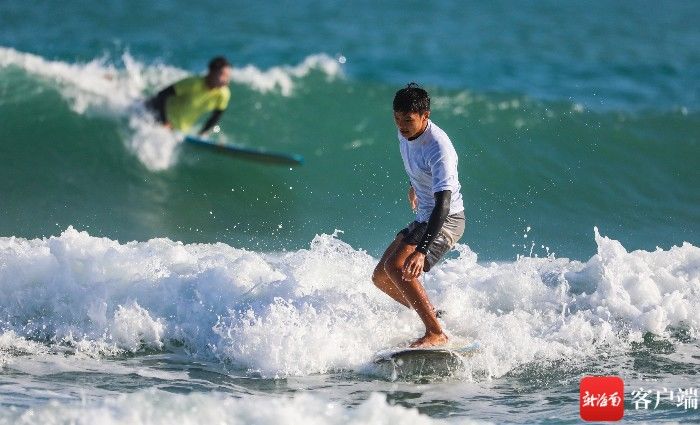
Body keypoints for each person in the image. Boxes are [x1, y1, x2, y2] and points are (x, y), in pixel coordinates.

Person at [372, 83, 466, 348]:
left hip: (446, 218)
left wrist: (422, 250)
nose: (401, 125)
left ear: (426, 116)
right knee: (381, 276)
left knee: (398, 267)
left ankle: (435, 332)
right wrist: (416, 186)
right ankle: (433, 315)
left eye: (408, 120)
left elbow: (444, 204)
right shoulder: (407, 133)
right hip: (426, 214)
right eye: (397, 118)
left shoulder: (439, 148)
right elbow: (417, 165)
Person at [146, 56, 232, 135]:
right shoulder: (193, 83)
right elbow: (162, 95)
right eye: (222, 75)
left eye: (228, 76)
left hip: (179, 131)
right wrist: (164, 121)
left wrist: (203, 132)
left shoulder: (224, 94)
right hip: (155, 119)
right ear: (211, 72)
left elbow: (216, 116)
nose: (226, 80)